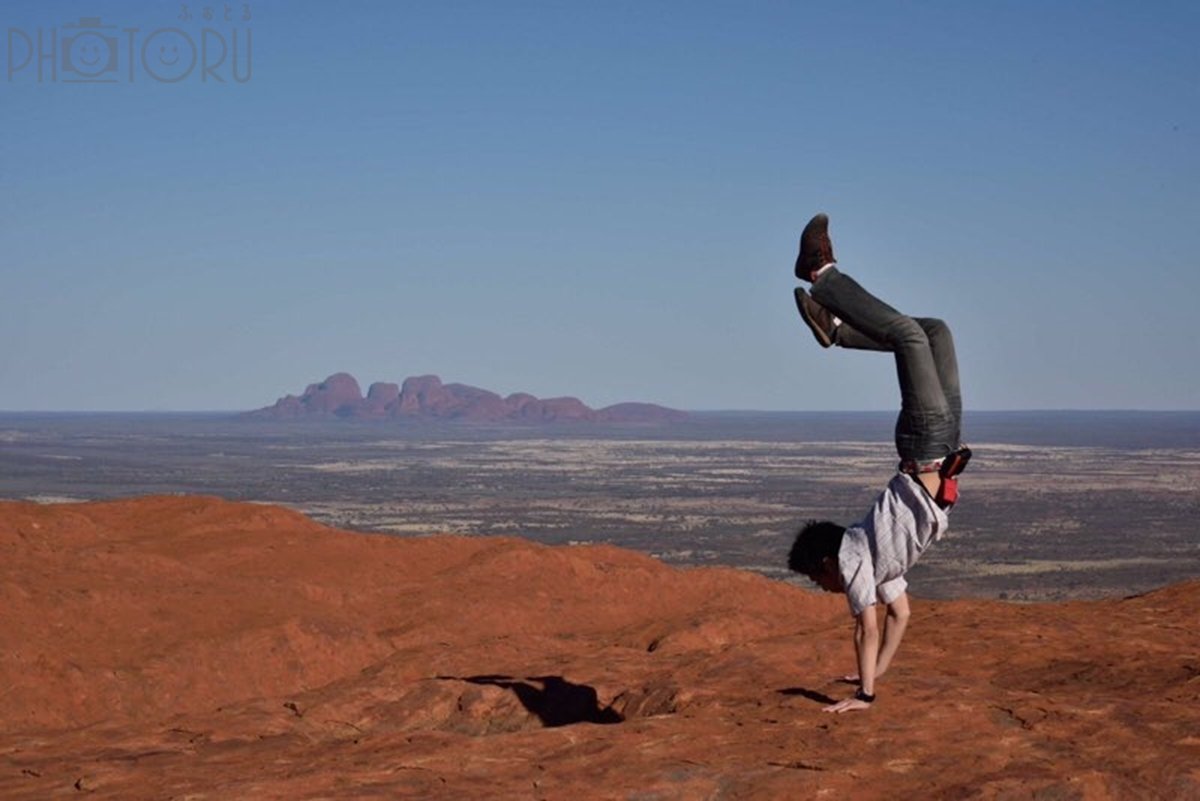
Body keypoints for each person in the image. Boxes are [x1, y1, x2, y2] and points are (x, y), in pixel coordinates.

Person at [786, 213, 971, 714]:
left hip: (924, 444)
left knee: (911, 337)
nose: (823, 589)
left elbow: (866, 625)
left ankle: (821, 274)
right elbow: (900, 618)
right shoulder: (879, 564)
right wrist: (877, 674)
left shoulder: (851, 559)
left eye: (814, 579)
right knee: (935, 332)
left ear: (827, 563)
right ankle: (838, 334)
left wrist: (864, 695)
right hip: (947, 445)